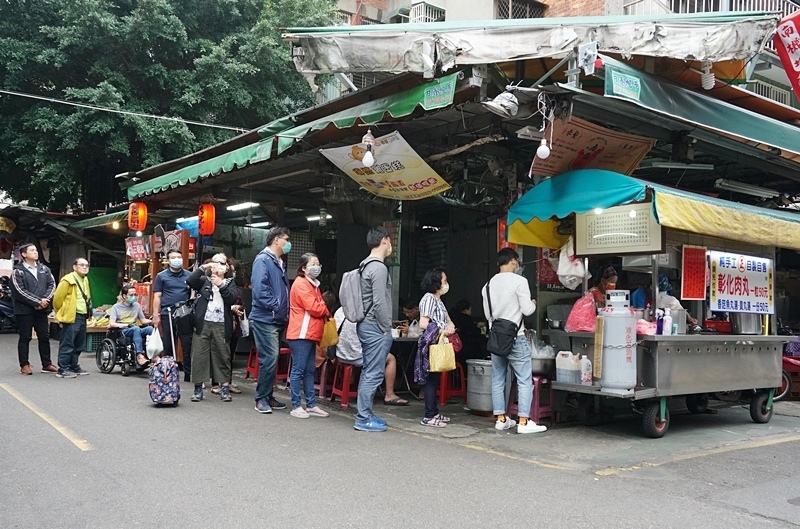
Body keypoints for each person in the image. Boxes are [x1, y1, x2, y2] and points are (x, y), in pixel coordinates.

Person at [481, 248, 547, 434]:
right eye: (517, 262)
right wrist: (533, 304)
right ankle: (524, 422)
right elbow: (527, 310)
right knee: (524, 380)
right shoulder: (520, 281)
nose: (517, 266)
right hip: (516, 337)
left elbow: (488, 315)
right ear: (512, 261)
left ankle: (501, 419)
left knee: (498, 378)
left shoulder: (487, 286)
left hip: (497, 338)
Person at [354, 226, 394, 432]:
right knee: (373, 373)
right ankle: (362, 418)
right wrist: (387, 328)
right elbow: (379, 302)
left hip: (366, 325)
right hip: (375, 327)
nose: (391, 246)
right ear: (385, 240)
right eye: (390, 241)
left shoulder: (364, 266)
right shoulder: (378, 268)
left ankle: (366, 413)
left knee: (369, 371)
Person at [332, 302, 408, 407]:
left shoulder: (340, 310)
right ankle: (389, 395)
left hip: (341, 354)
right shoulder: (365, 312)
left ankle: (354, 384)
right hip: (358, 355)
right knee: (391, 358)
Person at [251, 227, 291, 414]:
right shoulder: (263, 260)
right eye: (286, 239)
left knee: (271, 359)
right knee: (270, 358)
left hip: (275, 318)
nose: (288, 243)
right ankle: (261, 398)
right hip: (265, 317)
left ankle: (267, 396)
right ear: (276, 240)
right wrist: (276, 305)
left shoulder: (277, 262)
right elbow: (259, 289)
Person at [186, 257, 238, 402]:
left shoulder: (230, 283)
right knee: (199, 355)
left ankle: (225, 389)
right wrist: (204, 267)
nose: (218, 265)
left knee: (223, 355)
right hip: (203, 323)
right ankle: (197, 390)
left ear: (227, 267)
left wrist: (221, 285)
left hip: (222, 324)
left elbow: (232, 299)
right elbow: (191, 280)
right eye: (216, 262)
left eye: (222, 263)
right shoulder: (204, 280)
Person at [286, 253, 330, 419]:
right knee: (299, 370)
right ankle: (297, 405)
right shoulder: (302, 284)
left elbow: (319, 305)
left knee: (309, 370)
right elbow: (316, 308)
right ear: (303, 268)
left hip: (309, 333)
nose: (316, 267)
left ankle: (310, 404)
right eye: (313, 264)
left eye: (318, 263)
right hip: (301, 333)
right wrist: (323, 308)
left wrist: (321, 306)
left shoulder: (313, 285)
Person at [416, 268, 457, 428]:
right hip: (432, 344)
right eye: (444, 280)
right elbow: (424, 323)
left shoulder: (438, 300)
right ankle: (429, 415)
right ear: (436, 282)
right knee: (431, 381)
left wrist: (451, 327)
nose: (446, 284)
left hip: (440, 343)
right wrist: (442, 330)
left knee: (435, 379)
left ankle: (434, 412)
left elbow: (448, 319)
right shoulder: (428, 299)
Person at [10, 243, 57, 374]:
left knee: (44, 336)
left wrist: (45, 300)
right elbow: (20, 291)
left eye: (36, 250)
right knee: (25, 337)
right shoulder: (18, 271)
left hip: (42, 309)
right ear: (24, 254)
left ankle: (46, 364)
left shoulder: (44, 269)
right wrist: (37, 301)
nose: (35, 252)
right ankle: (24, 365)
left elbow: (52, 284)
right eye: (32, 250)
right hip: (24, 310)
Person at [152, 249, 192, 381]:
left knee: (187, 344)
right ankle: (168, 373)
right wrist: (155, 315)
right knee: (168, 344)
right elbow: (157, 296)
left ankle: (188, 374)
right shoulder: (161, 276)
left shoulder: (189, 275)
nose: (177, 259)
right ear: (168, 260)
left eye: (179, 257)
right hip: (167, 313)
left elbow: (193, 292)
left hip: (184, 314)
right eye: (173, 257)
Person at [52, 258, 93, 378]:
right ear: (74, 267)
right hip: (71, 315)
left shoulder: (85, 280)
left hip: (82, 315)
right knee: (67, 343)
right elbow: (57, 299)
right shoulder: (68, 280)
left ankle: (73, 366)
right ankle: (63, 368)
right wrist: (60, 313)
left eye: (86, 265)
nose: (85, 267)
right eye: (81, 265)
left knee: (79, 344)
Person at [107, 284, 154, 367]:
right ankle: (139, 355)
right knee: (136, 328)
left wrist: (153, 320)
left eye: (135, 295)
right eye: (131, 295)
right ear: (124, 296)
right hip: (123, 331)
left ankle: (153, 355)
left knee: (150, 329)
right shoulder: (116, 307)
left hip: (135, 328)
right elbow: (112, 323)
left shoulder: (137, 306)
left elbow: (143, 320)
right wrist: (126, 325)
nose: (134, 297)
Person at [449, 299, 484, 367]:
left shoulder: (451, 316)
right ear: (465, 310)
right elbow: (475, 332)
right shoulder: (466, 318)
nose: (470, 312)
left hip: (454, 346)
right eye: (470, 310)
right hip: (466, 346)